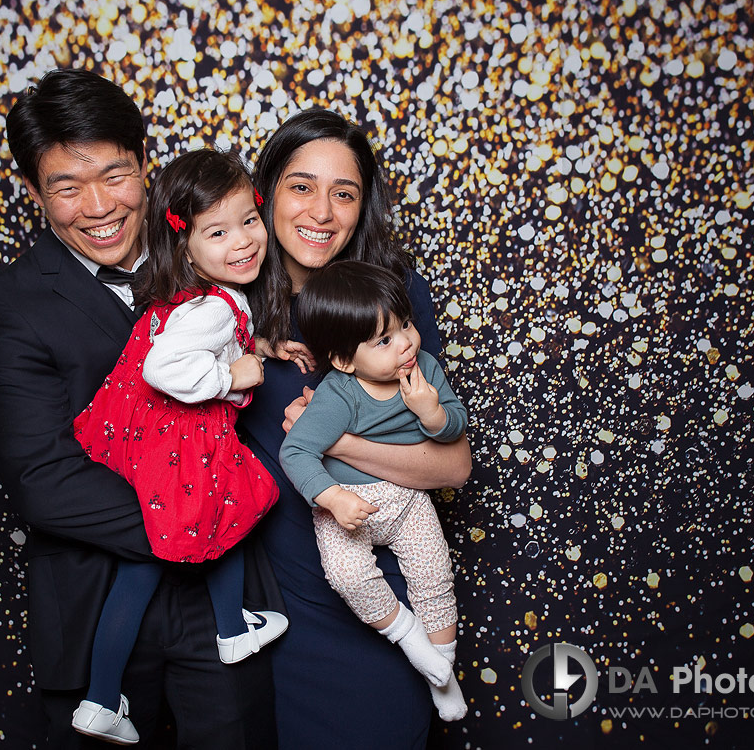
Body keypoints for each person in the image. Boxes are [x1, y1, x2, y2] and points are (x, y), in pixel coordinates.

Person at [0, 69, 281, 749]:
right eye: (67, 186)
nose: (98, 205)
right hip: (97, 605)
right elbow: (45, 482)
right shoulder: (6, 309)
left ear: (146, 161)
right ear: (32, 193)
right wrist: (196, 522)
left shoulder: (219, 256)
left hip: (222, 607)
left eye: (115, 175)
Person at [240, 108, 472, 749]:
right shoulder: (221, 300)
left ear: (362, 206)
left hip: (375, 597)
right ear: (265, 193)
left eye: (344, 193)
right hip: (261, 608)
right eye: (301, 186)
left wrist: (336, 441)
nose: (321, 211)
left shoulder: (392, 296)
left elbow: (453, 466)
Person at [69, 149, 288, 743]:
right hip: (180, 445)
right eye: (218, 232)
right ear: (184, 243)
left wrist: (263, 350)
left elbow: (210, 340)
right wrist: (231, 378)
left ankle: (99, 699)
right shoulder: (210, 307)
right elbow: (169, 368)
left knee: (139, 573)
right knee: (236, 508)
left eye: (250, 220)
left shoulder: (197, 297)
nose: (243, 242)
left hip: (144, 441)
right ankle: (231, 627)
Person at [279, 260, 468, 723]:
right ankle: (411, 640)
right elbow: (296, 452)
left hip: (406, 500)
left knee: (433, 574)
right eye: (384, 340)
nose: (405, 342)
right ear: (345, 360)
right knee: (348, 576)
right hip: (347, 501)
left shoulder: (423, 369)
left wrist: (433, 414)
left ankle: (442, 671)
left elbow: (456, 430)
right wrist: (332, 498)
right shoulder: (337, 395)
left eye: (405, 325)